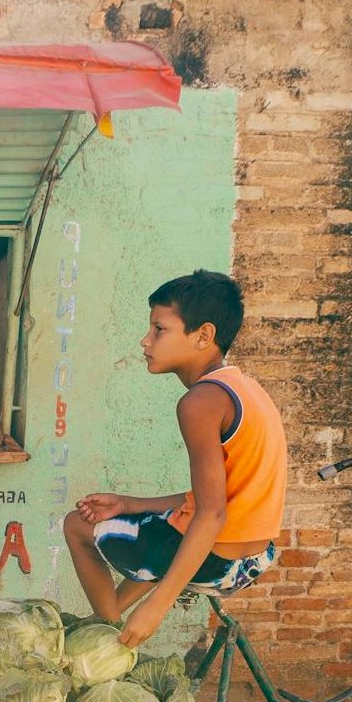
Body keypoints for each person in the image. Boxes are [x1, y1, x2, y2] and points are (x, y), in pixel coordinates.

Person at [64, 270, 287, 647]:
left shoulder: (199, 402)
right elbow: (215, 498)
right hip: (254, 556)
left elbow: (212, 514)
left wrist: (157, 607)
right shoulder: (244, 388)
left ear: (203, 336)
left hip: (219, 561)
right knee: (154, 529)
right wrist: (126, 504)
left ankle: (108, 642)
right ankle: (109, 618)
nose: (145, 340)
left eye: (159, 329)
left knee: (76, 526)